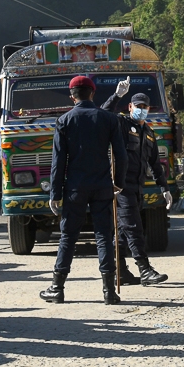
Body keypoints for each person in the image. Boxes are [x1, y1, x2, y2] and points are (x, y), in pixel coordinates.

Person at [40, 75, 127, 305]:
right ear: (93, 93)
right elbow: (121, 155)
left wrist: (55, 194)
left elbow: (58, 162)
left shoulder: (64, 121)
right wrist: (118, 181)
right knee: (103, 236)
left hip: (75, 188)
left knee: (68, 236)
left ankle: (57, 288)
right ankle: (109, 292)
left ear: (72, 97)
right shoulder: (108, 119)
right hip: (102, 187)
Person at [100, 81, 173, 285]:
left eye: (144, 107)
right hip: (120, 187)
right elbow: (103, 114)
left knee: (123, 231)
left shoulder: (149, 134)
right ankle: (145, 270)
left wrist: (164, 188)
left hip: (137, 187)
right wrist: (116, 95)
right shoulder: (122, 124)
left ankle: (119, 271)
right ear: (130, 107)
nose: (141, 110)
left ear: (149, 109)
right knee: (133, 227)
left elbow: (156, 164)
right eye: (137, 106)